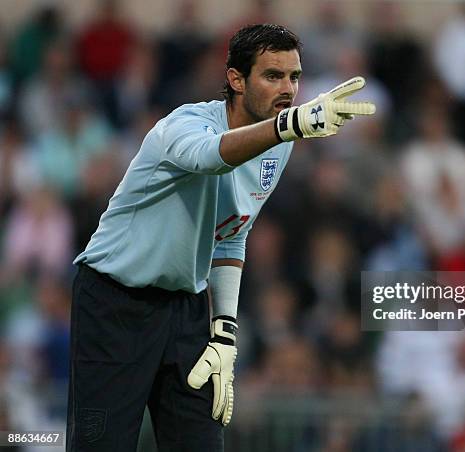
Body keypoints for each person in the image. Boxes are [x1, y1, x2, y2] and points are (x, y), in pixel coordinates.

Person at [66, 23, 375, 452]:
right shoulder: (182, 124)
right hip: (115, 302)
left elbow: (231, 234)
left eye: (294, 77)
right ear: (235, 79)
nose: (288, 88)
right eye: (272, 76)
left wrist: (224, 328)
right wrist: (291, 125)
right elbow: (211, 157)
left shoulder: (279, 141)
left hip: (188, 307)